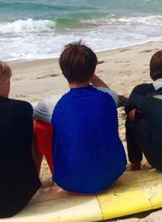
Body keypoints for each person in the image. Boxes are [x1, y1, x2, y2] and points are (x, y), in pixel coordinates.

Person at [51, 41, 126, 194]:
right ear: (92, 70)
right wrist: (88, 72)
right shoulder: (109, 97)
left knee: (40, 125)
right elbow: (108, 90)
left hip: (70, 182)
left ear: (63, 72)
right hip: (112, 173)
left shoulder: (52, 104)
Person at [0, 59, 41, 218]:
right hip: (15, 200)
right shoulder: (22, 109)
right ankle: (34, 176)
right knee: (37, 128)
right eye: (8, 81)